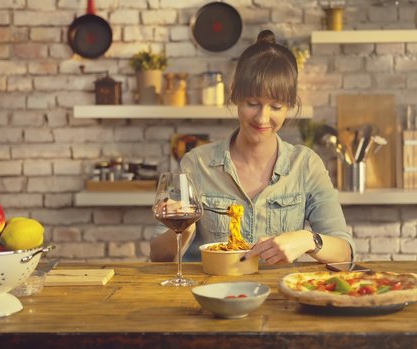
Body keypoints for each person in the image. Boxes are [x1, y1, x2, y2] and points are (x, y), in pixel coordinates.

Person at [150, 29, 354, 265]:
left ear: (290, 105)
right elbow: (157, 255)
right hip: (212, 293)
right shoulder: (196, 164)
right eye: (252, 103)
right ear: (234, 92)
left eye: (276, 106)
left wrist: (309, 240)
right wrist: (183, 231)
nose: (262, 118)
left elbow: (344, 254)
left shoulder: (306, 164)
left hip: (280, 296)